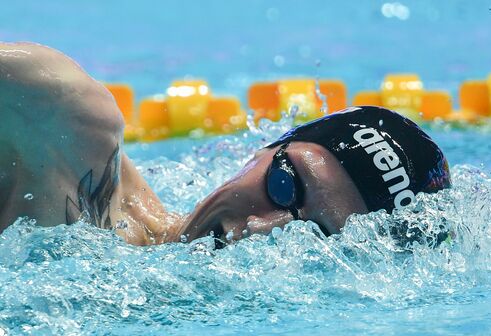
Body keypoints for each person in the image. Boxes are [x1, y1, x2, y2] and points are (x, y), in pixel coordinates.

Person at [0, 43, 451, 246]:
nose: (263, 228)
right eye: (283, 185)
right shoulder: (60, 120)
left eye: (313, 235)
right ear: (265, 148)